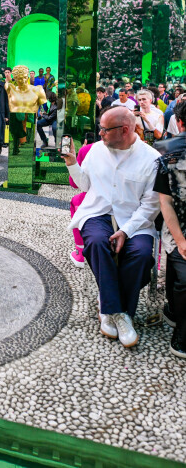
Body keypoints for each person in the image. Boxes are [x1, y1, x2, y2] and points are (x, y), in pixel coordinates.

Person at [62, 106, 159, 347]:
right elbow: (85, 186)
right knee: (95, 242)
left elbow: (150, 206)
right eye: (100, 129)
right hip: (99, 212)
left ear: (124, 130)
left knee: (141, 254)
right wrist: (73, 163)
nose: (101, 134)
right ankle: (117, 313)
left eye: (105, 130)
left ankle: (111, 306)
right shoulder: (96, 150)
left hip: (135, 219)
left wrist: (126, 231)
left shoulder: (151, 159)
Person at [154, 100, 186, 358]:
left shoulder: (163, 151)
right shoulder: (167, 153)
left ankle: (175, 314)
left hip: (175, 227)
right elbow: (165, 202)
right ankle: (178, 325)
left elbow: (164, 201)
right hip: (179, 229)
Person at [68, 131, 96, 267]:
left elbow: (74, 183)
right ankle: (159, 261)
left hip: (91, 196)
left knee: (75, 202)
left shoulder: (87, 149)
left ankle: (80, 252)